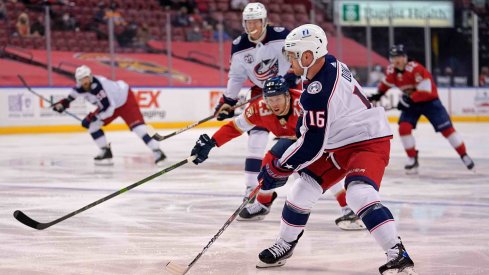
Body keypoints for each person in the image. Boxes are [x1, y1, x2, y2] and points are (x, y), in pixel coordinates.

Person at [255, 24, 417, 275]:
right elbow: (313, 120)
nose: (290, 63)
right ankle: (286, 244)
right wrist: (294, 82)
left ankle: (397, 253)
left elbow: (311, 145)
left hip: (368, 141)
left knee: (359, 193)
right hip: (340, 141)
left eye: (293, 57)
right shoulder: (329, 63)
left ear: (308, 56)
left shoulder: (318, 93)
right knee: (303, 188)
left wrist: (278, 167)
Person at [190, 76, 364, 230]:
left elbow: (325, 127)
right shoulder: (260, 108)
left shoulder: (305, 103)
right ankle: (263, 204)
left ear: (288, 96)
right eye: (270, 99)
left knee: (315, 171)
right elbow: (236, 127)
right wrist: (212, 142)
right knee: (269, 163)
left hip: (323, 139)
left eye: (278, 98)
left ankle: (349, 207)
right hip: (293, 139)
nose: (274, 104)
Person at [214, 2, 298, 203]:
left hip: (289, 90)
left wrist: (292, 77)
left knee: (301, 141)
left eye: (256, 21)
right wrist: (228, 100)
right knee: (255, 142)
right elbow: (235, 77)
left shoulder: (281, 35)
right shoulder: (239, 45)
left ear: (264, 21)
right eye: (248, 22)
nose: (252, 26)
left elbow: (297, 58)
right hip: (261, 92)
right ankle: (251, 191)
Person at [368, 45, 474, 174]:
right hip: (412, 104)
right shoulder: (391, 70)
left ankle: (464, 155)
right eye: (393, 57)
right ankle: (412, 159)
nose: (396, 60)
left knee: (447, 130)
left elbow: (426, 92)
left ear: (405, 57)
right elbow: (386, 84)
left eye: (399, 57)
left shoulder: (416, 69)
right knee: (404, 128)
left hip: (430, 103)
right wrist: (378, 94)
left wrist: (408, 99)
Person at [52, 65, 166, 166]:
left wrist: (93, 117)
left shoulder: (101, 86)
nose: (84, 81)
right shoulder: (79, 88)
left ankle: (157, 151)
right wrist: (61, 105)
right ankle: (105, 151)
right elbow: (70, 98)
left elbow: (109, 108)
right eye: (81, 80)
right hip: (110, 106)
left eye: (86, 78)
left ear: (90, 76)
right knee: (93, 127)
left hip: (125, 100)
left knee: (138, 128)